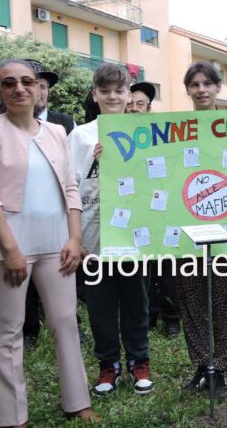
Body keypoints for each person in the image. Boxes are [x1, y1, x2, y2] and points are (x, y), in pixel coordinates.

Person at [0, 59, 98, 427]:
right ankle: (10, 418)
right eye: (9, 83)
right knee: (8, 331)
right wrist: (10, 250)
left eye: (28, 81)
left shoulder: (56, 131)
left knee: (66, 322)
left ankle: (78, 402)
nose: (20, 88)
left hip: (58, 245)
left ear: (40, 88)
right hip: (6, 248)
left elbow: (71, 188)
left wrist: (74, 237)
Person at [67, 63, 154, 396]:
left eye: (119, 91)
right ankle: (108, 366)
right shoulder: (81, 135)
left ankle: (139, 362)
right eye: (105, 91)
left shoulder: (144, 131)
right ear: (95, 95)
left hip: (135, 235)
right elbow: (71, 184)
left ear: (128, 94)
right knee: (100, 305)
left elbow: (158, 178)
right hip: (93, 235)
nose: (113, 96)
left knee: (137, 301)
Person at [177, 60, 227, 399]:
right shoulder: (176, 127)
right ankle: (202, 366)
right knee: (191, 301)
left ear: (217, 87)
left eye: (207, 83)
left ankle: (222, 370)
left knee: (224, 302)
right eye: (194, 84)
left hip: (224, 230)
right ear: (187, 89)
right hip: (185, 233)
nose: (201, 89)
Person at [22, 59, 78, 348]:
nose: (38, 91)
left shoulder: (64, 123)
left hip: (58, 210)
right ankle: (29, 329)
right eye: (34, 84)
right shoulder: (3, 124)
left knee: (58, 266)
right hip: (23, 214)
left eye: (42, 86)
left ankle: (62, 319)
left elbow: (73, 169)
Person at [124, 81, 182, 339]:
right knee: (140, 272)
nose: (135, 108)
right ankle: (147, 318)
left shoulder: (162, 133)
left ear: (148, 108)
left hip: (163, 209)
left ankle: (172, 320)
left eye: (140, 104)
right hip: (133, 212)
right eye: (130, 104)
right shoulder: (115, 135)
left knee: (168, 272)